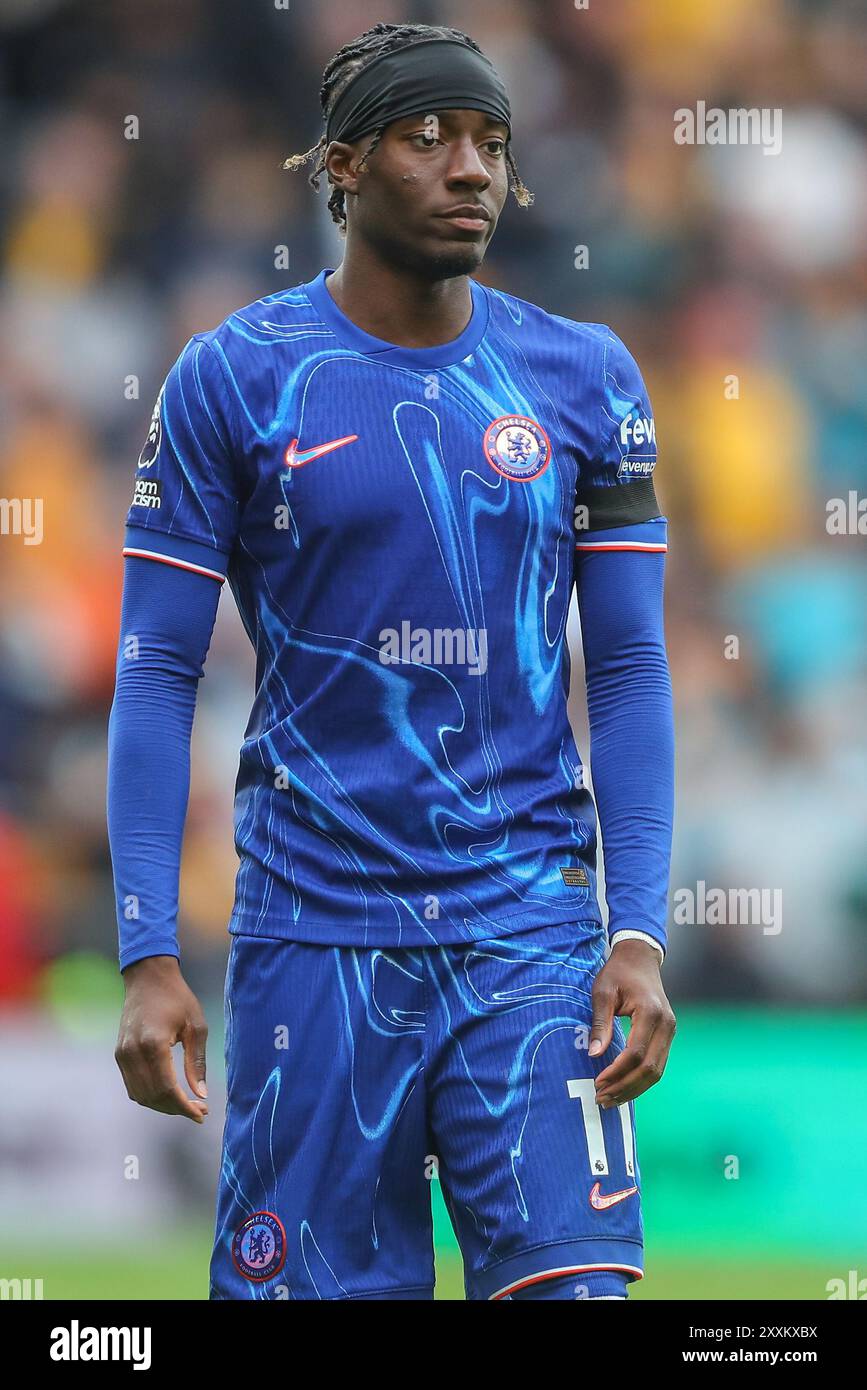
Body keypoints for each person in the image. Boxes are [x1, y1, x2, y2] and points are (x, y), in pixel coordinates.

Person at [108, 21, 676, 1302]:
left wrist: (635, 929)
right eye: (430, 139)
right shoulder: (233, 380)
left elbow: (631, 671)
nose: (471, 168)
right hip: (315, 933)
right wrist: (149, 949)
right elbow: (155, 672)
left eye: (491, 143)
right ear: (345, 170)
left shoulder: (584, 377)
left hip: (529, 928)